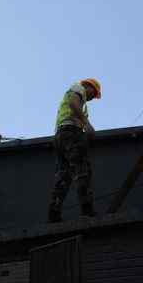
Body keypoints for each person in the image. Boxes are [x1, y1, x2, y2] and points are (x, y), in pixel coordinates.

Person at [48, 78, 101, 223]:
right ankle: (87, 211)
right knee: (82, 170)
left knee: (63, 177)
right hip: (71, 133)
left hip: (60, 137)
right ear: (88, 86)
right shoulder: (79, 88)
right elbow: (73, 103)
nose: (91, 98)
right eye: (93, 93)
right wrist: (87, 124)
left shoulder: (79, 100)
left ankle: (54, 214)